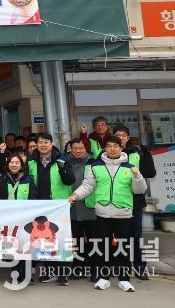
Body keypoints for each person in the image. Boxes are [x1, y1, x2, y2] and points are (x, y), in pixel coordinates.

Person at [69, 136, 147, 292]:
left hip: (124, 214)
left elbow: (140, 190)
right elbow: (87, 186)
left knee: (123, 247)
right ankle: (103, 278)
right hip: (102, 214)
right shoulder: (96, 166)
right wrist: (75, 196)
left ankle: (124, 280)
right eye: (109, 146)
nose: (112, 149)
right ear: (105, 148)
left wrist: (137, 176)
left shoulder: (130, 167)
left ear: (121, 148)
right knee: (102, 247)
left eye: (115, 146)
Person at [27, 132, 75, 285]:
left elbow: (70, 181)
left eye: (46, 142)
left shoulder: (62, 159)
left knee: (61, 239)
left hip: (58, 206)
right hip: (39, 207)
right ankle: (49, 272)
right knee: (44, 240)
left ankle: (63, 274)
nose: (43, 145)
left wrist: (63, 168)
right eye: (40, 142)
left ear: (51, 143)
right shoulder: (31, 161)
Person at [114, 125, 156, 280]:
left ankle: (140, 267)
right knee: (117, 237)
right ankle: (119, 267)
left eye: (123, 135)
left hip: (134, 202)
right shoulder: (108, 154)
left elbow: (150, 173)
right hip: (114, 202)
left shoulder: (137, 153)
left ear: (128, 137)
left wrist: (147, 155)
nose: (120, 137)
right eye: (117, 135)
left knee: (135, 237)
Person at [0, 153, 37, 283]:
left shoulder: (29, 179)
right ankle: (15, 273)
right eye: (12, 162)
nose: (14, 165)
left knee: (26, 247)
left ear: (21, 165)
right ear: (8, 164)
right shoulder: (3, 179)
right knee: (13, 247)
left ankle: (26, 274)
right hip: (10, 220)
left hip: (26, 219)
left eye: (17, 162)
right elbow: (1, 200)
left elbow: (33, 198)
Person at [66, 138, 98, 281]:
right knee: (76, 241)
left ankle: (95, 269)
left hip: (90, 207)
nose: (78, 151)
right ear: (70, 149)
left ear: (86, 149)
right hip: (71, 208)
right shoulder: (65, 163)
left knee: (94, 240)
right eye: (75, 148)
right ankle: (78, 268)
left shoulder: (94, 163)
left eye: (81, 148)